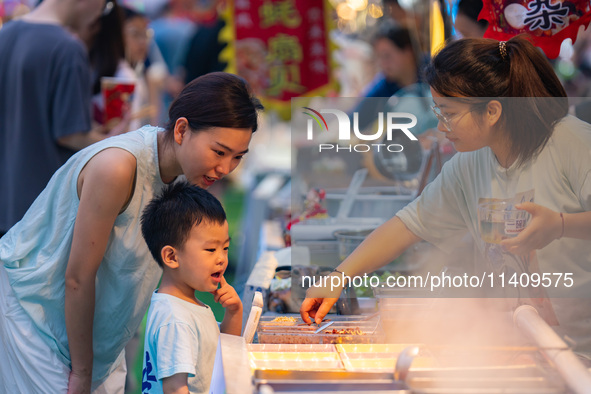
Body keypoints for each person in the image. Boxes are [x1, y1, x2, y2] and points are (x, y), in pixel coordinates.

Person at [300, 37, 591, 360]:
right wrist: (339, 276)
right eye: (438, 111)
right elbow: (409, 224)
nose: (441, 125)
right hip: (522, 352)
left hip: (583, 358)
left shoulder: (571, 142)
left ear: (492, 111)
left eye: (449, 113)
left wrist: (561, 225)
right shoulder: (472, 162)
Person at [0, 72, 263, 393]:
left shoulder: (186, 174)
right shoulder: (117, 167)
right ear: (182, 130)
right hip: (35, 319)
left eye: (237, 157)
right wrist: (82, 372)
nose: (226, 168)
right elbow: (78, 277)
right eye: (219, 152)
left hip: (96, 339)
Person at [0, 0, 132, 237]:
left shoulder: (5, 34)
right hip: (42, 211)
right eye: (103, 5)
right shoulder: (67, 48)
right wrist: (115, 140)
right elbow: (71, 134)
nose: (99, 14)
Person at [140, 181, 242, 394]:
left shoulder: (184, 307)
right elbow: (175, 389)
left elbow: (224, 353)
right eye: (211, 249)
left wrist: (233, 312)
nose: (222, 259)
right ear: (172, 256)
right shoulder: (176, 319)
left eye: (225, 248)